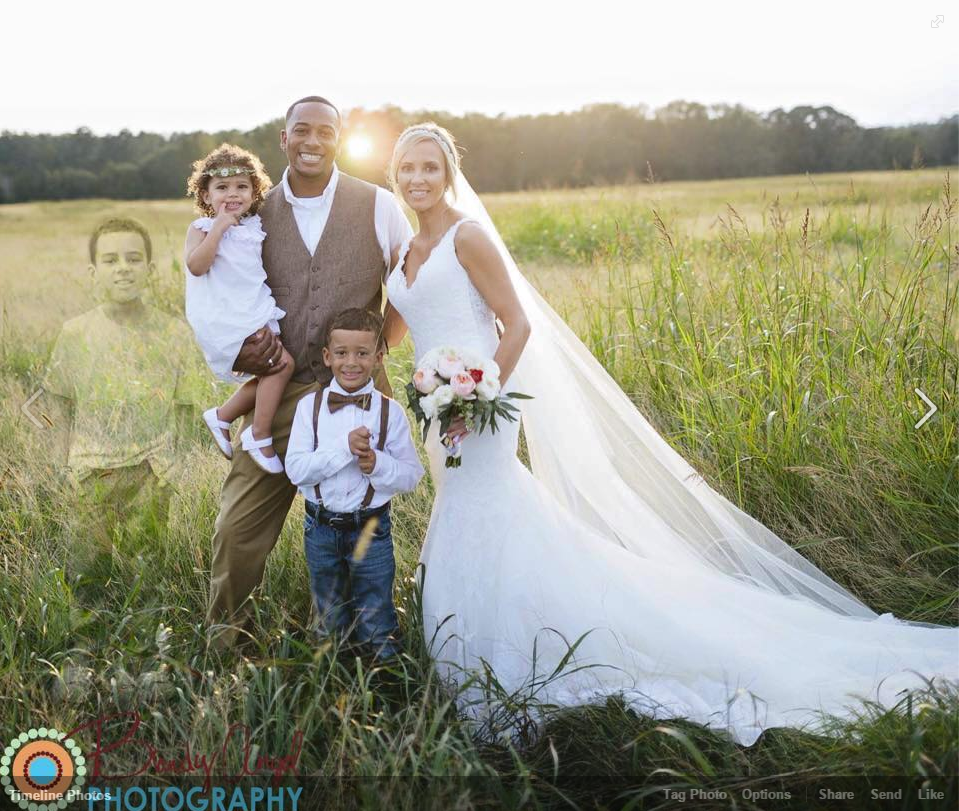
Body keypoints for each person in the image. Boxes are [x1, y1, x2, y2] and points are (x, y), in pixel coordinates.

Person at [382, 123, 959, 746]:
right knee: (466, 513)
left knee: (489, 509)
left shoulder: (468, 236)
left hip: (483, 401)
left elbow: (518, 323)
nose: (418, 179)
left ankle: (510, 659)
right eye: (407, 169)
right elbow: (392, 329)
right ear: (395, 176)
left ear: (447, 173)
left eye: (430, 168)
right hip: (437, 407)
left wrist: (479, 388)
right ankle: (478, 656)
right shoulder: (404, 254)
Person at [205, 96, 414, 649]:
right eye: (302, 130)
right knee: (237, 528)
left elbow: (411, 286)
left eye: (325, 131)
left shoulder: (378, 205)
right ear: (284, 139)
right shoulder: (252, 212)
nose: (313, 141)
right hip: (279, 396)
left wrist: (381, 352)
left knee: (364, 528)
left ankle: (363, 648)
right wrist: (237, 350)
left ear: (339, 139)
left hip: (360, 397)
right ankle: (226, 647)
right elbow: (217, 287)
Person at [40, 217, 209, 582]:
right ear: (93, 271)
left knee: (144, 579)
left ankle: (147, 637)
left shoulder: (174, 334)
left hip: (151, 474)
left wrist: (173, 465)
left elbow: (186, 407)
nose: (123, 270)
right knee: (86, 579)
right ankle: (86, 638)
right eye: (110, 260)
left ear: (149, 269)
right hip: (89, 474)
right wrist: (62, 465)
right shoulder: (76, 333)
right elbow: (59, 402)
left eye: (133, 259)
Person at [285, 308, 424, 660]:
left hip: (371, 528)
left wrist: (379, 465)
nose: (352, 362)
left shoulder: (390, 412)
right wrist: (343, 449)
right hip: (320, 527)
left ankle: (386, 687)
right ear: (327, 357)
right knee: (329, 615)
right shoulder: (308, 408)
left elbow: (411, 474)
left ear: (378, 358)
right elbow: (296, 470)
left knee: (376, 613)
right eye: (342, 353)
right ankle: (332, 685)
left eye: (362, 353)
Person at [184, 143, 295, 474]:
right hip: (228, 317)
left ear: (254, 191)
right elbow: (197, 266)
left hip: (252, 308)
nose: (232, 194)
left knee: (271, 369)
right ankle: (258, 435)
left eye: (242, 186)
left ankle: (222, 416)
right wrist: (218, 228)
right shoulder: (201, 229)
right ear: (205, 195)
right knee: (282, 366)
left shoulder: (254, 226)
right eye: (221, 188)